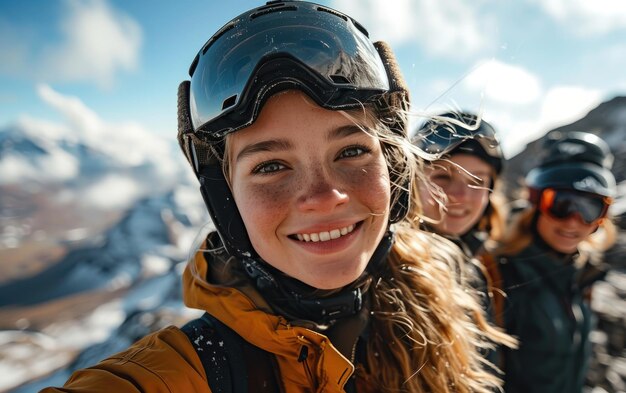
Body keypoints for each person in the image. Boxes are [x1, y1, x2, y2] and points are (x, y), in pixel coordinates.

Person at [42, 2, 511, 392]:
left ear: (393, 169)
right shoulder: (187, 373)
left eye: (351, 151)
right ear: (226, 200)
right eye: (270, 166)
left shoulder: (440, 308)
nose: (323, 196)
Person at [491, 131, 617, 392]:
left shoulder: (582, 274)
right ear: (535, 202)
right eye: (560, 204)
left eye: (590, 208)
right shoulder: (498, 274)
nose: (573, 220)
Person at [412, 111, 514, 370]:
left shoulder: (478, 263)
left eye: (478, 181)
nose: (460, 195)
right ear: (412, 180)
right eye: (443, 177)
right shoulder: (385, 268)